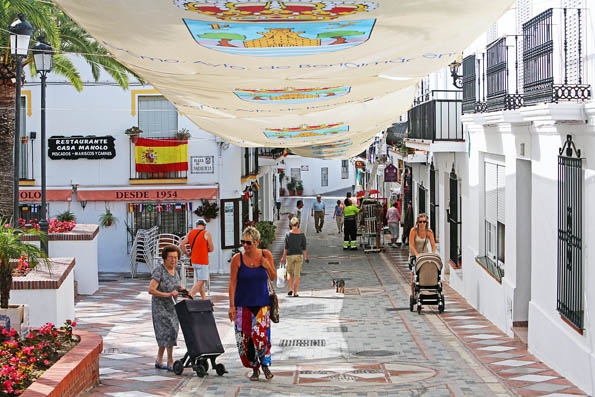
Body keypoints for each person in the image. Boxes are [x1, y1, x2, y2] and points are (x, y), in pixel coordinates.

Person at [228, 226, 277, 381]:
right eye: (243, 242)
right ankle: (254, 368)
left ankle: (265, 364)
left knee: (262, 336)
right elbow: (232, 283)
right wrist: (231, 306)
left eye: (248, 243)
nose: (245, 246)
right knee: (246, 338)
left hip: (262, 304)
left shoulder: (265, 254)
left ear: (257, 242)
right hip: (243, 305)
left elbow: (274, 276)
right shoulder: (237, 259)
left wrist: (266, 265)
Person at [149, 245, 184, 371]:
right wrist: (168, 294)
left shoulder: (177, 270)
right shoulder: (159, 270)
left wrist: (181, 290)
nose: (173, 260)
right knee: (167, 332)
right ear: (165, 258)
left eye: (175, 257)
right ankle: (170, 360)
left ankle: (159, 360)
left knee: (172, 332)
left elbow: (176, 285)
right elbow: (151, 290)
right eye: (171, 257)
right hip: (160, 307)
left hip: (173, 306)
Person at [179, 219, 214, 299]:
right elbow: (211, 249)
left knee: (200, 280)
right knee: (202, 280)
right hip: (203, 260)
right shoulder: (206, 233)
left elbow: (182, 244)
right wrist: (204, 250)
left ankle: (204, 299)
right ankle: (190, 294)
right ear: (205, 226)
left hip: (194, 260)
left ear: (196, 225)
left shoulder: (190, 233)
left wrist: (186, 253)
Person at [409, 213, 436, 295]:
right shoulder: (413, 231)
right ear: (417, 222)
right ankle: (414, 296)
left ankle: (425, 292)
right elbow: (411, 244)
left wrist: (433, 254)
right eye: (420, 222)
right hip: (414, 255)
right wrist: (416, 254)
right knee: (413, 277)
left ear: (426, 223)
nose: (422, 224)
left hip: (424, 255)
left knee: (425, 274)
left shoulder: (429, 232)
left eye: (424, 222)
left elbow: (433, 245)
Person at [281, 217, 309, 297]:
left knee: (290, 273)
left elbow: (286, 247)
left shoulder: (288, 234)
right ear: (298, 224)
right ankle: (295, 292)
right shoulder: (302, 235)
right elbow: (304, 247)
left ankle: (290, 289)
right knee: (297, 275)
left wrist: (283, 258)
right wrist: (306, 257)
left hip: (289, 256)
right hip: (299, 256)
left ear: (291, 224)